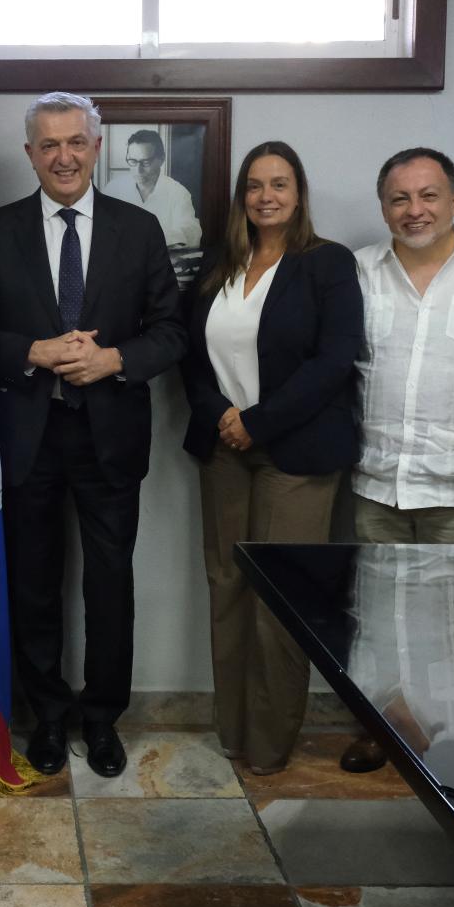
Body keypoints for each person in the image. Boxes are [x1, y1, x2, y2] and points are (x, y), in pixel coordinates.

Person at [0, 92, 184, 778]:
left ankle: (101, 720)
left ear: (96, 147)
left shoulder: (139, 228)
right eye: (48, 145)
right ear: (30, 153)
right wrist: (31, 352)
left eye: (75, 142)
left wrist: (114, 360)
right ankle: (45, 716)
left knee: (109, 586)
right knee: (32, 587)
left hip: (109, 435)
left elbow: (171, 330)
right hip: (27, 435)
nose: (63, 156)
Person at [180, 140, 361, 775]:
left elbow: (334, 361)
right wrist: (221, 420)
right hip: (224, 449)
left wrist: (256, 423)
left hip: (298, 454)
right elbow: (190, 355)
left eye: (279, 184)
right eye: (254, 185)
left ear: (299, 192)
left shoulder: (327, 264)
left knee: (278, 600)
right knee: (227, 587)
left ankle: (269, 741)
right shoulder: (218, 267)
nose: (266, 197)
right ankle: (233, 730)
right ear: (241, 196)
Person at [342, 147, 454, 772]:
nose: (415, 210)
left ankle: (434, 723)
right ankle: (377, 722)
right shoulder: (356, 271)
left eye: (429, 195)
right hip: (375, 479)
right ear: (383, 207)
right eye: (399, 199)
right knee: (375, 608)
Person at [101, 128, 202, 247]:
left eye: (146, 162)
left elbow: (192, 234)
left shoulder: (178, 193)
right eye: (133, 161)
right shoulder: (113, 189)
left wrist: (148, 236)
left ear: (161, 159)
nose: (138, 170)